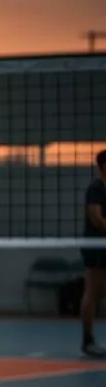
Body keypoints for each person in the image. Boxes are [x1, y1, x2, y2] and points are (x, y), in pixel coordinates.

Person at [80, 149, 106, 357]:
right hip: (96, 247)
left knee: (99, 293)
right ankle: (87, 341)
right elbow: (96, 219)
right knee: (92, 292)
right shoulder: (96, 188)